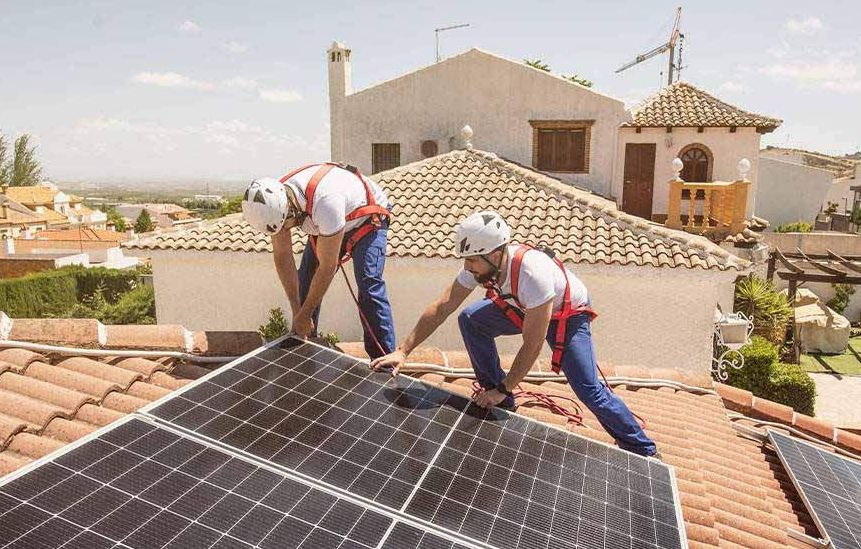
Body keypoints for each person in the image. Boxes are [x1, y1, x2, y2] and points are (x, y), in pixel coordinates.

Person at [370, 211, 656, 456]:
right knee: (470, 319)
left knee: (587, 387)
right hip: (521, 305)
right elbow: (443, 305)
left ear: (495, 254)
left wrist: (506, 386)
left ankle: (641, 448)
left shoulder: (533, 274)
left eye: (472, 262)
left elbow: (532, 345)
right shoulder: (481, 264)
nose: (467, 268)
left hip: (566, 314)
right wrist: (403, 350)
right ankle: (500, 401)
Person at [243, 163, 396, 359]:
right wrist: (297, 310)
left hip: (366, 219)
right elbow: (283, 257)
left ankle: (384, 359)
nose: (284, 231)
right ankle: (305, 347)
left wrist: (305, 314)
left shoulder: (326, 203)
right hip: (329, 221)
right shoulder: (273, 205)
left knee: (368, 284)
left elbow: (327, 267)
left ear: (291, 211)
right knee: (305, 283)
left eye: (285, 226)